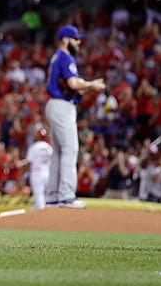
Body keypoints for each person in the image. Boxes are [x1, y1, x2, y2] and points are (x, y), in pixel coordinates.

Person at [45, 24, 106, 208]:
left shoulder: (58, 57)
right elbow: (72, 84)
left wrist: (88, 86)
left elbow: (71, 87)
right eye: (75, 38)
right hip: (61, 106)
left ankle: (53, 196)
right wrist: (91, 84)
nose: (78, 42)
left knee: (58, 153)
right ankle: (67, 196)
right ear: (65, 39)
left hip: (57, 105)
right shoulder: (65, 57)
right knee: (70, 150)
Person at [23, 126, 53, 210]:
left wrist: (23, 173)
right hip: (47, 173)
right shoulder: (49, 147)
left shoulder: (34, 147)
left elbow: (29, 162)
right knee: (47, 195)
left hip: (37, 173)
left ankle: (41, 215)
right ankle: (39, 213)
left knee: (38, 195)